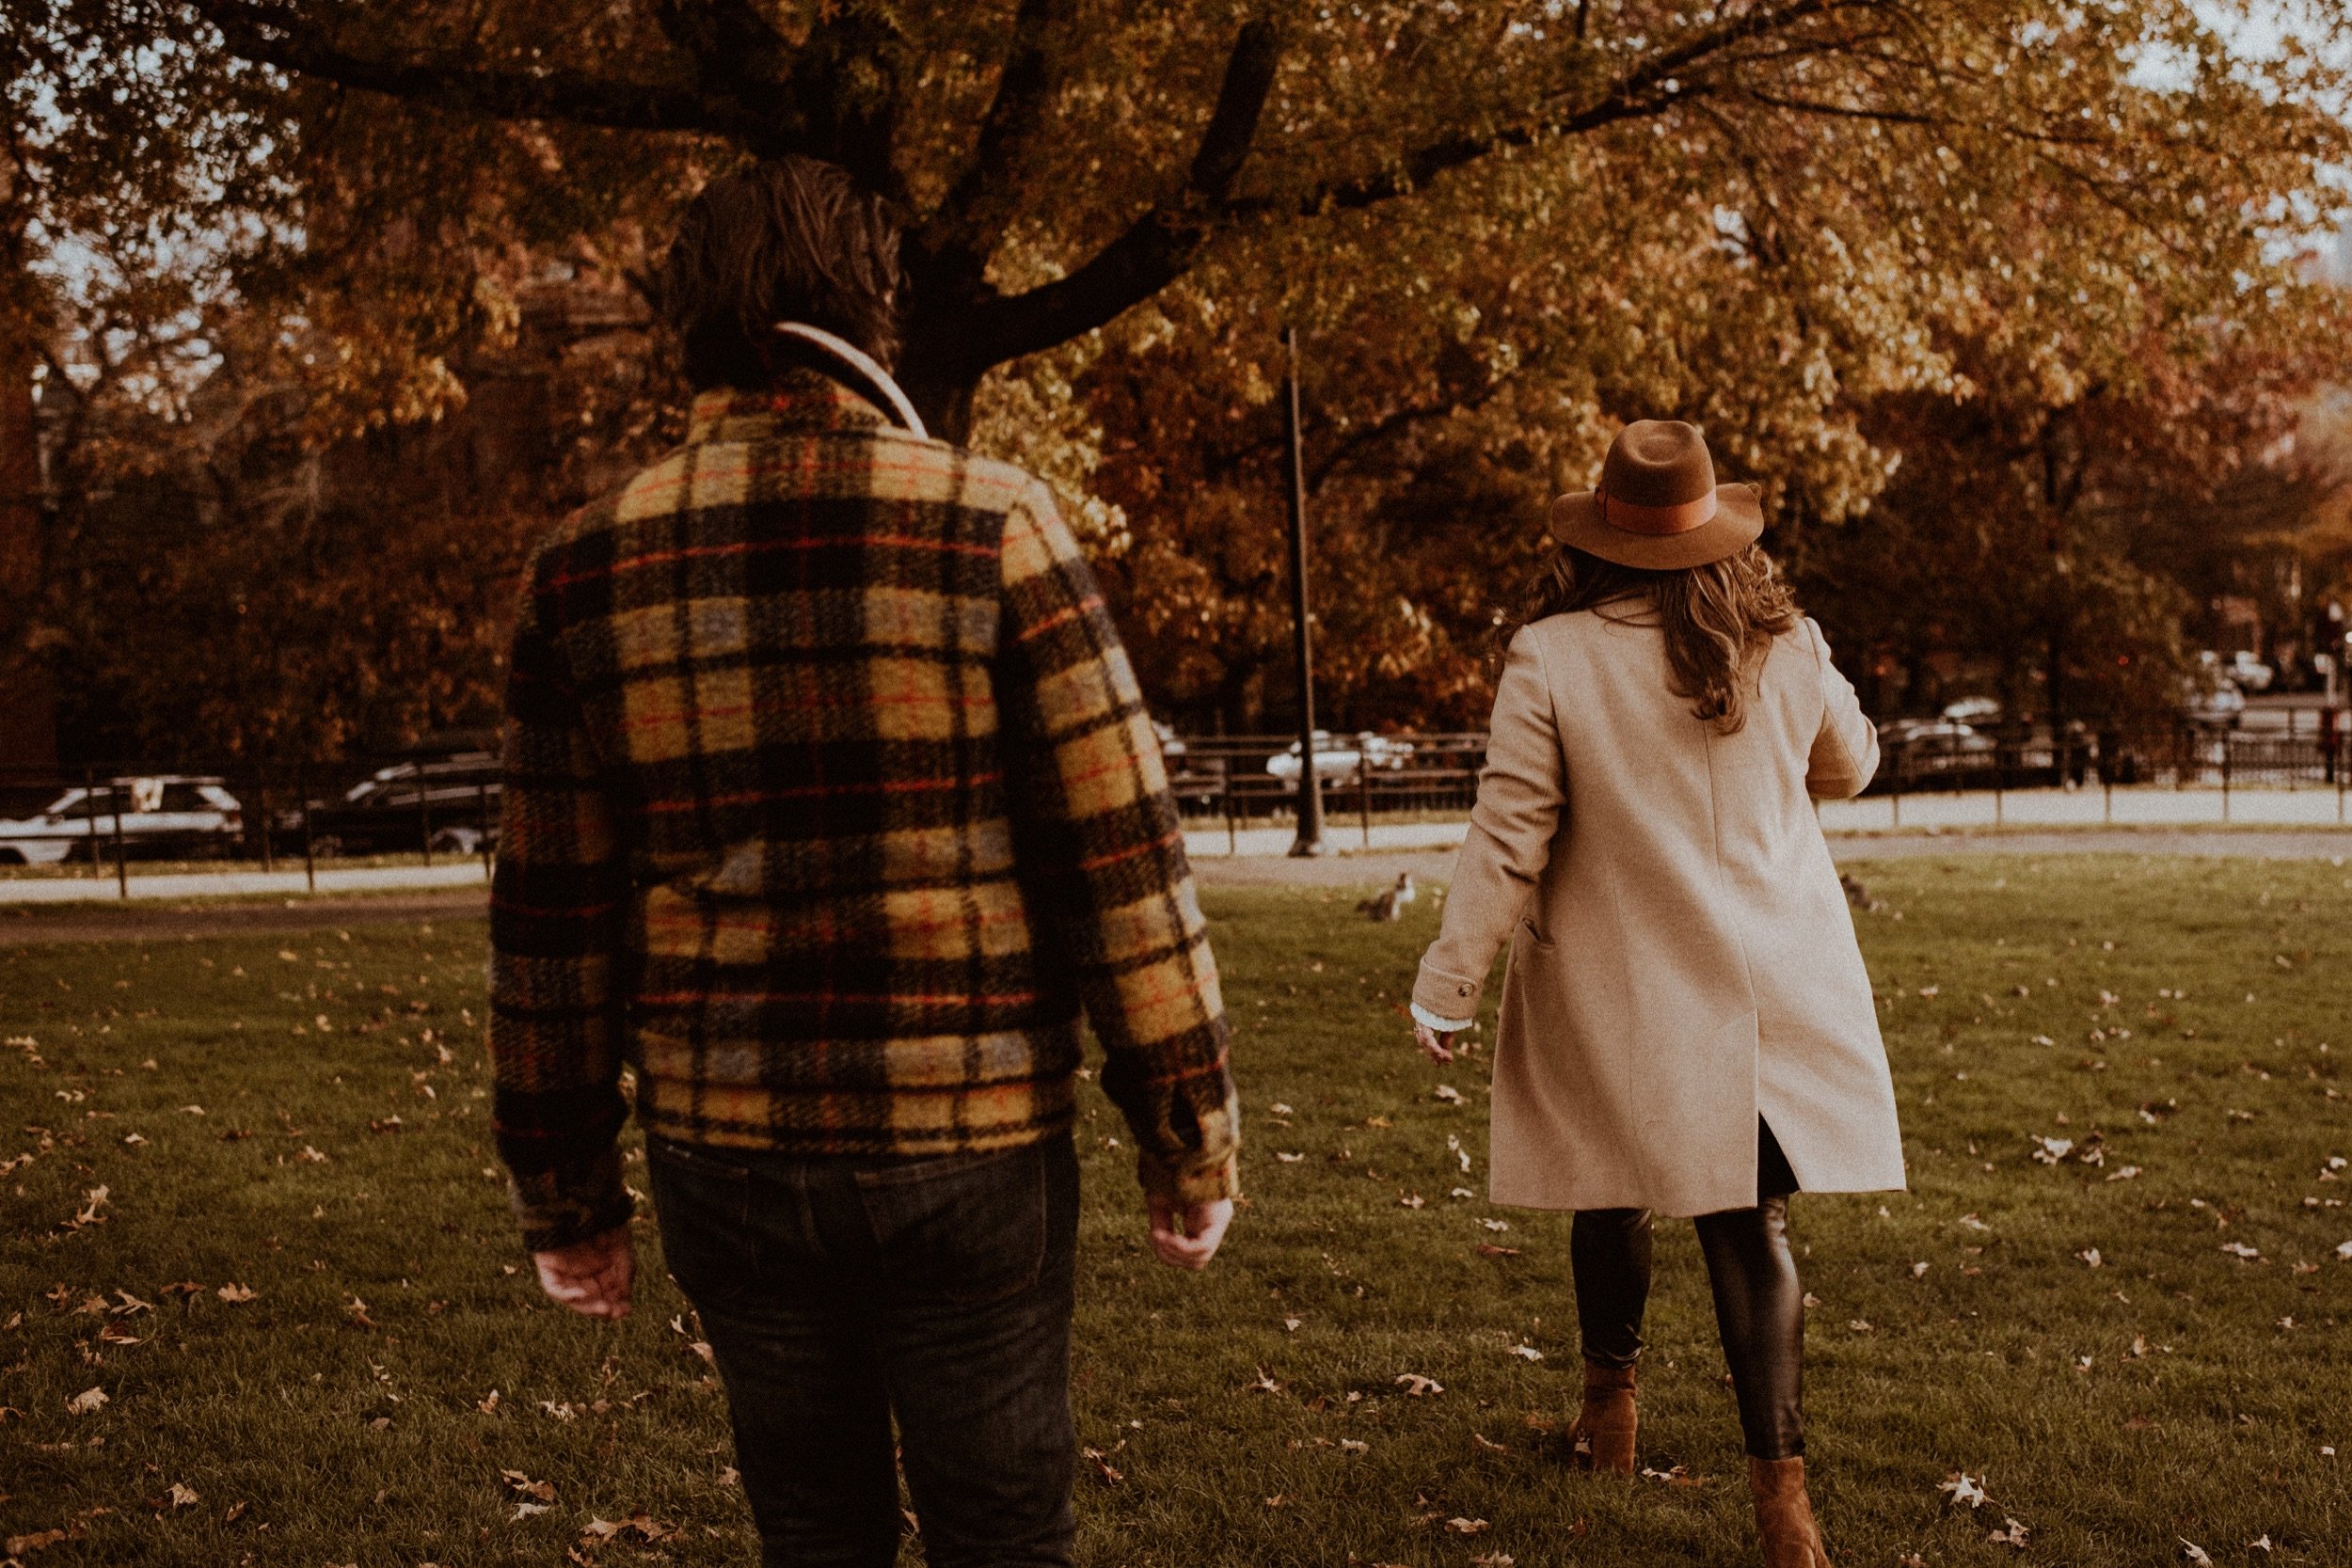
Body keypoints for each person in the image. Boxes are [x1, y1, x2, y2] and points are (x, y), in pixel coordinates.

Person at [486, 156, 1241, 1568]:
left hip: (731, 1148)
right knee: (1005, 1525)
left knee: (813, 1526)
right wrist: (1186, 1132)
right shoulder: (992, 522)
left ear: (687, 320)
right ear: (869, 305)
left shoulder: (584, 567)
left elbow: (550, 923)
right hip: (969, 1139)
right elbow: (1120, 858)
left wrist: (567, 1190)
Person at [1406, 420, 1903, 1568]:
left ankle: (1609, 1410)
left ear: (1602, 539)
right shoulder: (1787, 642)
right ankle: (1781, 1509)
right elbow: (1851, 765)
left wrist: (1448, 983)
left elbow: (1508, 829)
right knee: (1751, 1223)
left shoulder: (1553, 653)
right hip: (1773, 981)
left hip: (1621, 976)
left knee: (1609, 1184)